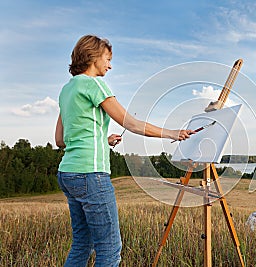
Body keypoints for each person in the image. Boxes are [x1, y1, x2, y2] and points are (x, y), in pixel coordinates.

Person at [55, 35, 194, 267]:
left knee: (82, 244)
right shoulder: (94, 84)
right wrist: (172, 133)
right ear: (93, 56)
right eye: (107, 59)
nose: (109, 65)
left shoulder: (66, 90)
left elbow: (60, 140)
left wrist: (103, 139)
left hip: (68, 173)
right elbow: (131, 124)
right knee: (109, 249)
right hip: (91, 174)